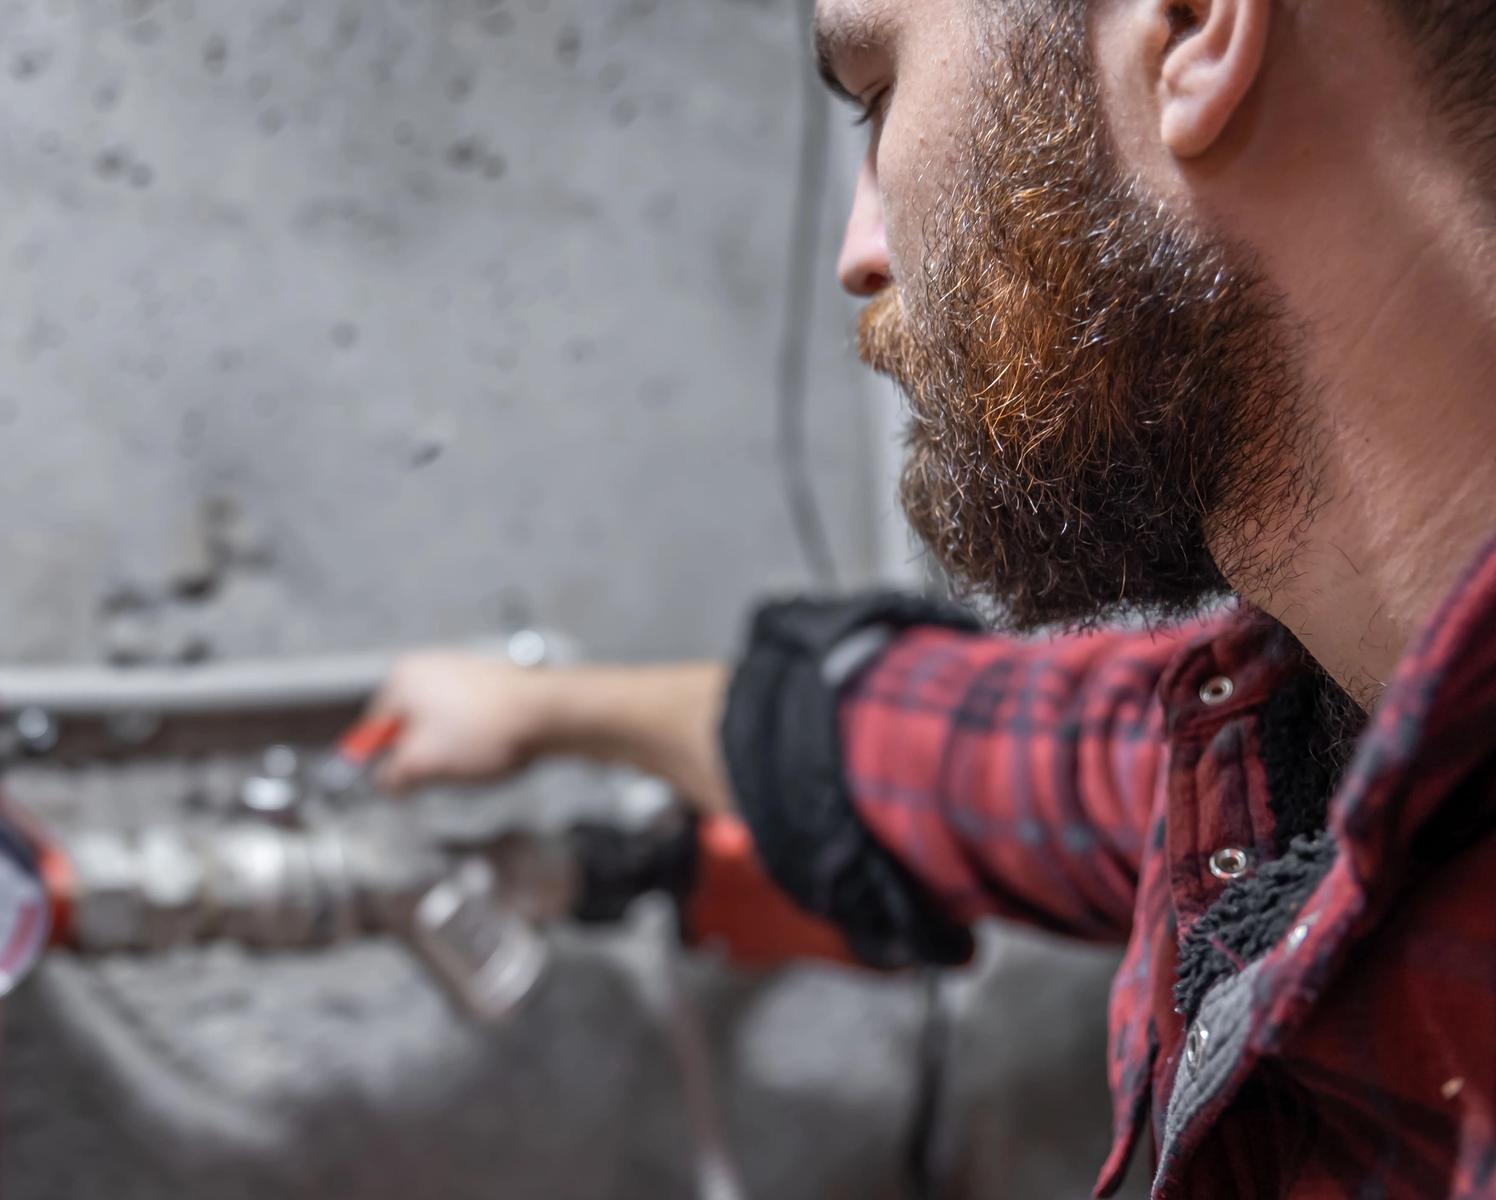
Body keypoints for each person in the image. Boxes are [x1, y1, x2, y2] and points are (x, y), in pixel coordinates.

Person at [366, 0, 1496, 1195]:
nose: (858, 249)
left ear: (1189, 27)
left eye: (880, 93)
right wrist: (551, 711)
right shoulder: (1303, 731)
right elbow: (997, 752)